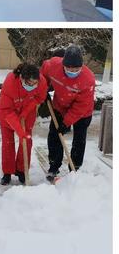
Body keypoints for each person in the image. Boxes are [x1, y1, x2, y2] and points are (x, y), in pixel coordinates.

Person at [40, 45, 95, 181]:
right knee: (54, 136)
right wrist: (44, 88)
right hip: (60, 106)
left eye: (76, 69)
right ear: (63, 64)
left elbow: (81, 106)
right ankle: (54, 166)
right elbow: (43, 74)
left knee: (79, 140)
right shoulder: (53, 65)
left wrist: (66, 123)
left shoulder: (88, 79)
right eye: (69, 68)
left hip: (82, 113)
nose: (73, 71)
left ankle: (74, 168)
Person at [0, 63, 47, 185]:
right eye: (28, 83)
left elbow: (39, 98)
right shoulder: (10, 83)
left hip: (27, 113)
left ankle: (21, 170)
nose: (32, 86)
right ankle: (7, 172)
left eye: (34, 84)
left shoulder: (41, 82)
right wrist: (19, 129)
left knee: (27, 142)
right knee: (8, 143)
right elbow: (6, 110)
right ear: (21, 78)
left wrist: (25, 111)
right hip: (7, 115)